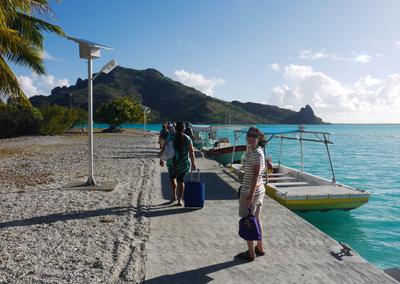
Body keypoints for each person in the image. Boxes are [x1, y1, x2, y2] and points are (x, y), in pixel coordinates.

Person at [237, 126, 266, 261]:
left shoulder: (255, 153)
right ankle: (259, 247)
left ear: (259, 138)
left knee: (248, 221)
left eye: (254, 136)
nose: (251, 137)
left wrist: (249, 195)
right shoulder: (256, 150)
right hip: (259, 191)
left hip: (251, 192)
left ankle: (250, 253)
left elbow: (255, 176)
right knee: (256, 219)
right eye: (249, 135)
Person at [160, 122, 196, 205]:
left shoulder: (170, 137)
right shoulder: (187, 138)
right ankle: (180, 200)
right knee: (181, 181)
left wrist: (161, 159)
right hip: (183, 164)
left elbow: (164, 147)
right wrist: (193, 163)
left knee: (172, 179)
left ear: (175, 129)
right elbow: (191, 152)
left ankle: (173, 196)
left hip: (171, 163)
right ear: (183, 129)